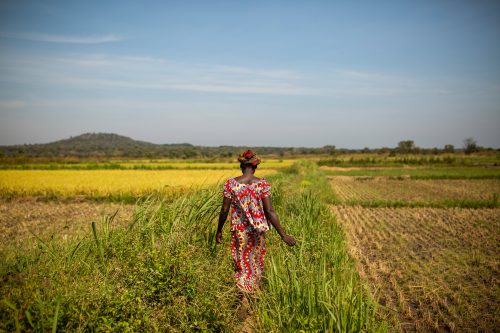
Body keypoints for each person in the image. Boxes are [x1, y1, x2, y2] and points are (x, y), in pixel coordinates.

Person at [216, 149, 296, 294]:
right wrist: (283, 235)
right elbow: (269, 211)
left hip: (239, 231)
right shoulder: (262, 185)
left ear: (241, 166)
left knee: (241, 263)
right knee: (255, 262)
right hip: (258, 232)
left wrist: (219, 231)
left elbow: (224, 211)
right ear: (255, 166)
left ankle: (242, 295)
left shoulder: (230, 184)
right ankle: (253, 294)